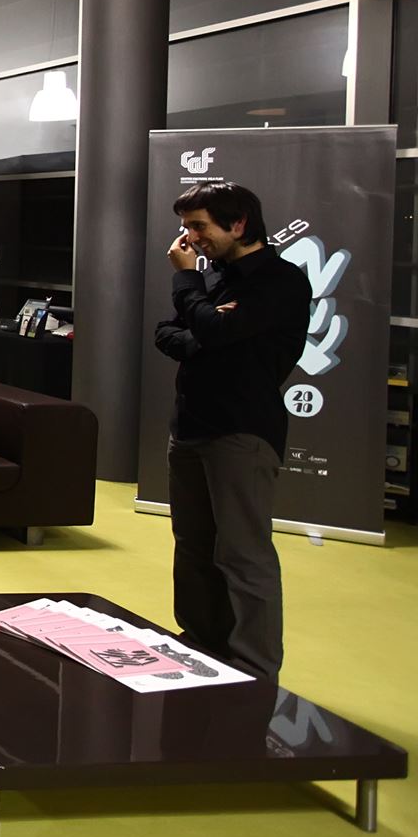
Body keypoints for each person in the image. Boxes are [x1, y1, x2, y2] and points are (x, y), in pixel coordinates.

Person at [153, 180, 311, 679]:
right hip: (190, 427)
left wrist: (188, 289)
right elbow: (167, 333)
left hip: (242, 431)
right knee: (193, 546)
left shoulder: (279, 281)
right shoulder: (216, 280)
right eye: (187, 227)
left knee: (243, 553)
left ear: (238, 224)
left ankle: (255, 667)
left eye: (199, 226)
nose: (190, 238)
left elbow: (215, 329)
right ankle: (202, 644)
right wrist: (203, 328)